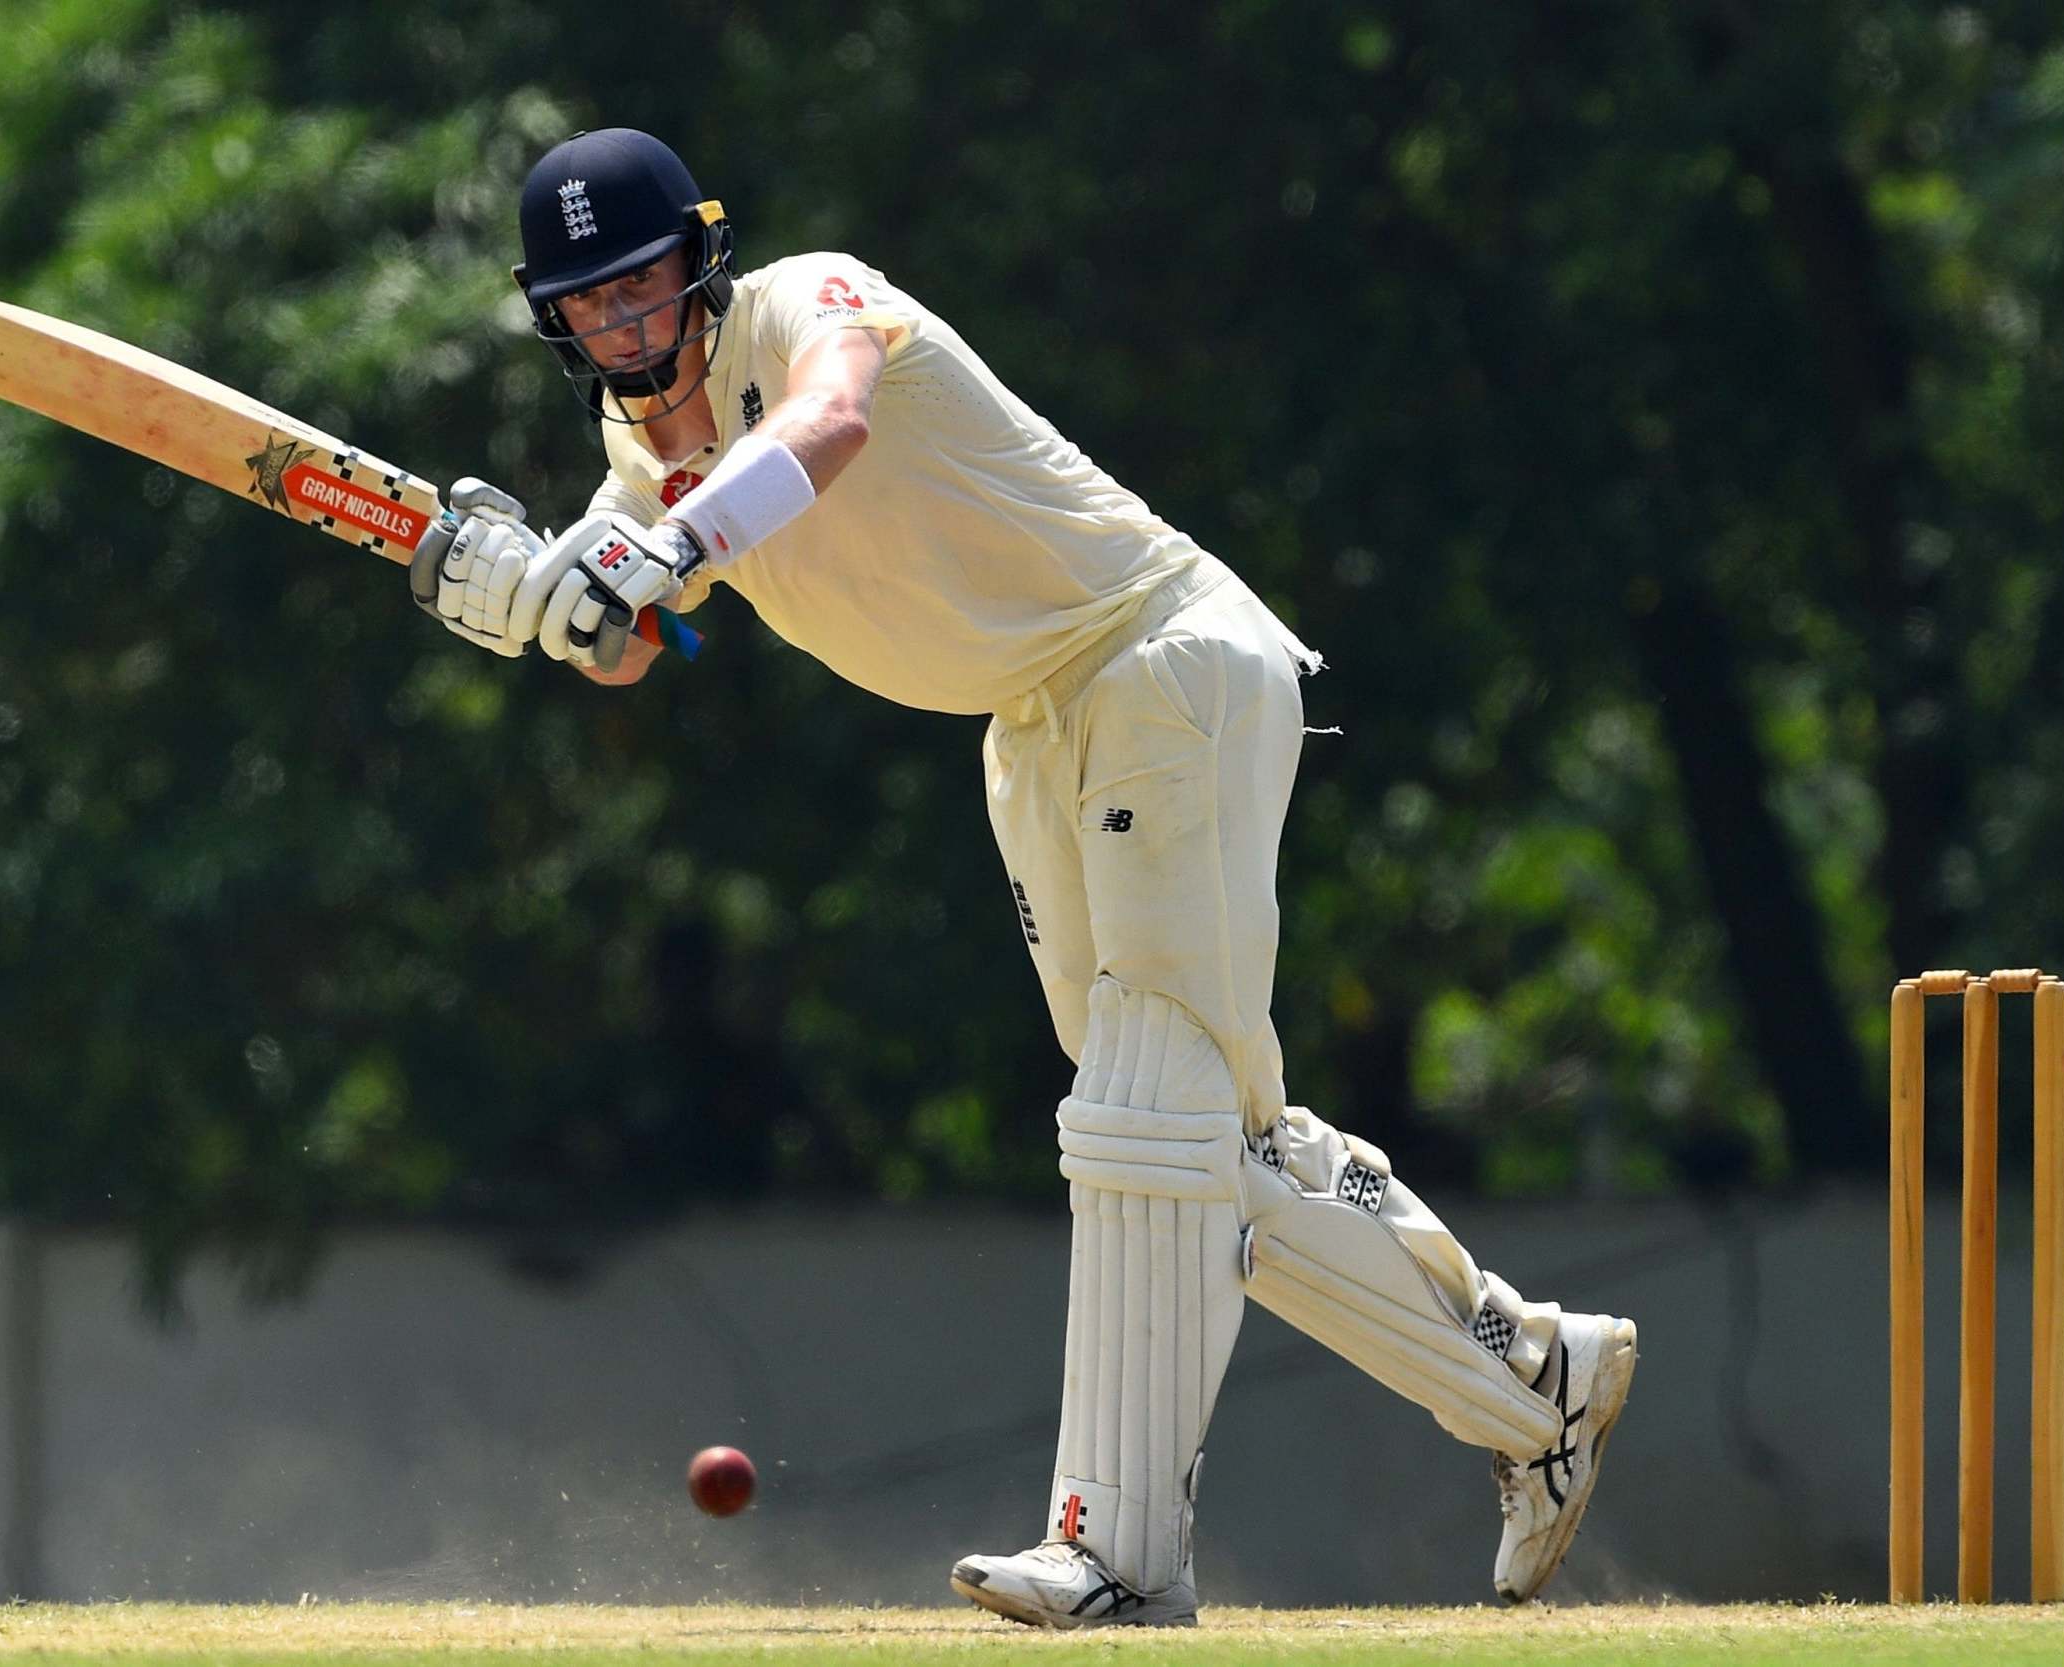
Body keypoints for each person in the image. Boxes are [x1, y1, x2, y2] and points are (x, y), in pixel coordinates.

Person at [408, 127, 1639, 1625]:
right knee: (1193, 1148)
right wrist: (532, 601)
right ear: (556, 322)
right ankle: (1534, 1383)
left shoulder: (813, 303)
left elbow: (828, 430)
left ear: (702, 265)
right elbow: (626, 638)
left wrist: (649, 555)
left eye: (644, 286)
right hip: (1031, 731)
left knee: (1139, 1112)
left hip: (1155, 655)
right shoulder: (638, 454)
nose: (622, 326)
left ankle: (1116, 1557)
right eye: (588, 305)